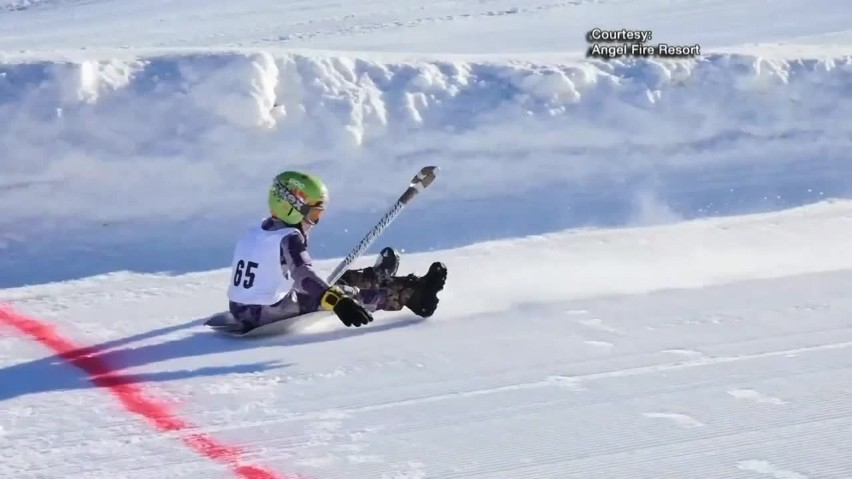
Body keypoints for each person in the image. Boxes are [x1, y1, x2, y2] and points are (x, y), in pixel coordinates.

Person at [225, 170, 447, 333]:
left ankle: (374, 277)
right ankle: (413, 295)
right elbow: (303, 274)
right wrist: (337, 301)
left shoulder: (257, 230)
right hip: (269, 312)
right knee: (344, 293)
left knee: (332, 283)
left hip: (241, 308)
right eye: (314, 216)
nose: (314, 223)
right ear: (291, 208)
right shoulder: (289, 238)